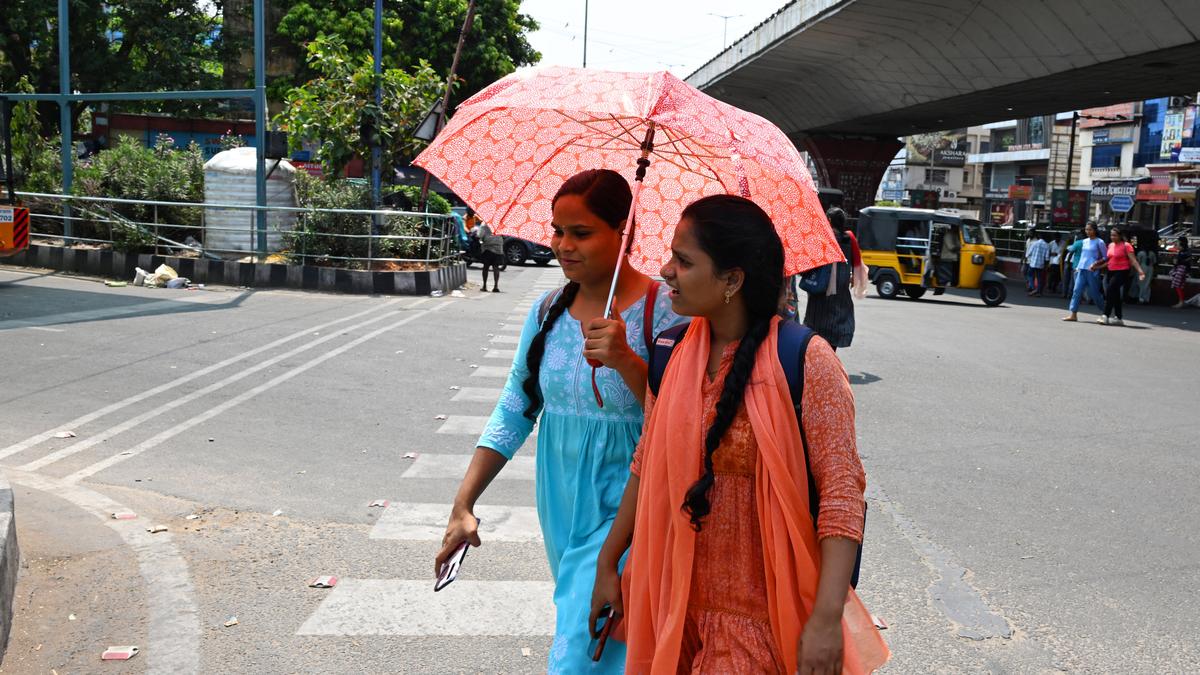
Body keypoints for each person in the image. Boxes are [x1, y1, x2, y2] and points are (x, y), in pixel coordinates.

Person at [591, 195, 887, 674]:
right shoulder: (670, 354)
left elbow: (840, 496)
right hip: (674, 605)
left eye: (683, 261)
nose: (665, 270)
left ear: (732, 279)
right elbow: (646, 463)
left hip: (765, 621)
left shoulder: (805, 360)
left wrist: (827, 619)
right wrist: (610, 562)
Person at [436, 169, 681, 673]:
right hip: (561, 499)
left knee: (581, 641)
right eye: (557, 230)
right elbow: (515, 407)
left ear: (624, 232)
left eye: (582, 233)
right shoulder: (547, 311)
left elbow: (679, 418)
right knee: (606, 639)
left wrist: (628, 363)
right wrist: (464, 503)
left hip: (633, 498)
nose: (563, 245)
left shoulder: (666, 313)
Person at [801, 206, 867, 351]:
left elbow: (806, 263)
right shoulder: (849, 238)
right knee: (833, 334)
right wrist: (852, 279)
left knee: (815, 332)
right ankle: (829, 361)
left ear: (829, 220)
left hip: (820, 293)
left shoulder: (820, 238)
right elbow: (858, 265)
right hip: (840, 295)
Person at [1092, 227, 1146, 326]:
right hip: (1111, 271)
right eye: (1111, 235)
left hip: (1122, 272)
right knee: (1115, 294)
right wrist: (1098, 267)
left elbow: (1133, 260)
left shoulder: (1127, 245)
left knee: (1110, 290)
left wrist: (1141, 272)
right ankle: (1118, 318)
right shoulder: (1111, 245)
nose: (1112, 237)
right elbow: (1109, 261)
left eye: (1115, 235)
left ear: (1120, 236)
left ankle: (1105, 315)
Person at [1062, 222, 1109, 322]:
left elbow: (1106, 257)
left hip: (1092, 270)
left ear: (1095, 230)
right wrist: (1078, 267)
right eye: (1086, 229)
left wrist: (1096, 263)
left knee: (1094, 293)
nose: (1088, 231)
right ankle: (1073, 314)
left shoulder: (1099, 242)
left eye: (1090, 229)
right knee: (1076, 291)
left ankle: (1105, 312)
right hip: (1081, 269)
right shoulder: (1084, 241)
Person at [476, 218, 505, 292]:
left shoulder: (484, 223)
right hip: (498, 248)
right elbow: (504, 235)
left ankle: (484, 286)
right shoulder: (500, 222)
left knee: (486, 267)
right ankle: (496, 286)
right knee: (496, 267)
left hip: (487, 248)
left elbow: (479, 235)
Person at [1134, 227, 1160, 304]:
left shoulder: (1140, 253)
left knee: (1140, 283)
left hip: (1142, 268)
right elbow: (1154, 262)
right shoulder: (1152, 253)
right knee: (1147, 284)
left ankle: (1140, 298)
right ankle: (1146, 298)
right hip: (1150, 269)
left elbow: (1137, 262)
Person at [1170, 235, 1192, 309]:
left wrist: (1178, 261)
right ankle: (1181, 301)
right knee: (1179, 285)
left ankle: (1181, 302)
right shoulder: (1182, 251)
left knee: (1178, 285)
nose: (1177, 243)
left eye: (1178, 242)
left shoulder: (1186, 252)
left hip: (1182, 269)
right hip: (1180, 268)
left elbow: (1187, 261)